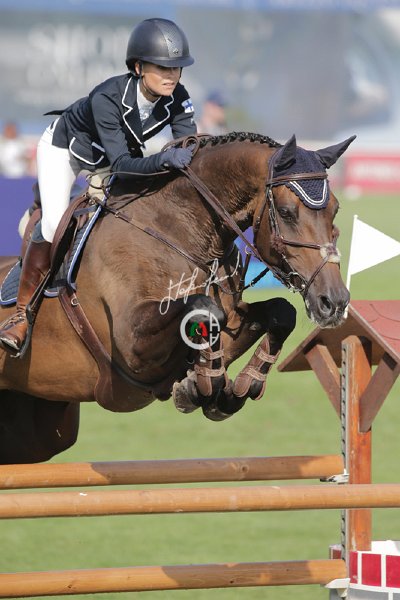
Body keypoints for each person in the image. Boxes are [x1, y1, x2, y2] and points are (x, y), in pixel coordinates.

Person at [0, 18, 197, 352]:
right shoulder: (107, 96)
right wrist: (164, 160)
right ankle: (20, 314)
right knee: (54, 225)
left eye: (176, 68)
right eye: (162, 67)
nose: (172, 75)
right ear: (138, 67)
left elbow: (190, 145)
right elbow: (122, 164)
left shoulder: (178, 97)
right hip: (66, 149)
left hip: (108, 157)